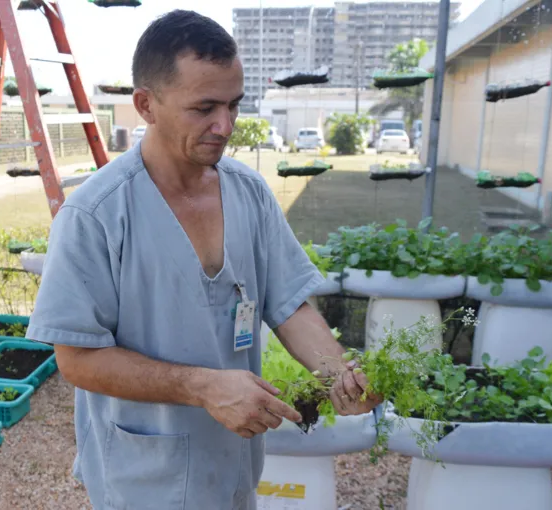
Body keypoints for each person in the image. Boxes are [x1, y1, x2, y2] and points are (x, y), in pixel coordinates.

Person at [26, 9, 380, 510]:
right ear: (146, 105)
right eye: (204, 107)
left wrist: (337, 371)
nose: (225, 125)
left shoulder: (250, 194)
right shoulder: (96, 214)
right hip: (144, 475)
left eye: (234, 105)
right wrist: (202, 387)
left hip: (233, 464)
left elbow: (290, 305)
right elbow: (77, 358)